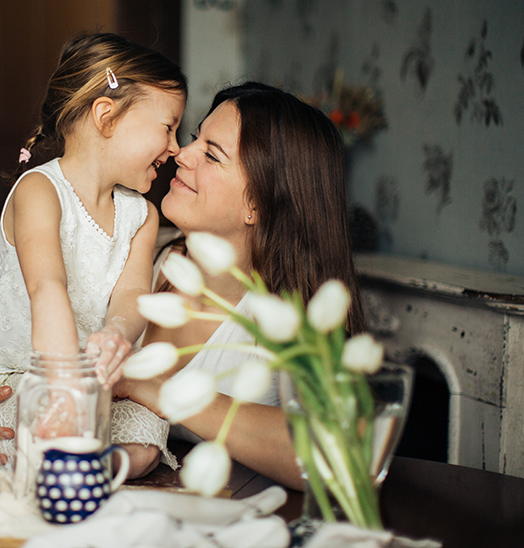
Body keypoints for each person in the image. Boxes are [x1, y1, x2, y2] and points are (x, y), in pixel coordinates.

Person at [0, 33, 187, 479]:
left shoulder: (141, 215)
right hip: (22, 376)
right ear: (107, 116)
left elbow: (133, 294)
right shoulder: (40, 190)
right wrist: (63, 389)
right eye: (168, 127)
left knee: (146, 436)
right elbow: (47, 287)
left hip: (94, 386)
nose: (175, 147)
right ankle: (61, 460)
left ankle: (82, 466)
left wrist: (118, 333)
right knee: (23, 427)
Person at [115, 82, 365, 491]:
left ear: (257, 204)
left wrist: (167, 392)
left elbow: (338, 456)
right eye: (196, 137)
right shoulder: (139, 254)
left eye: (211, 154)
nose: (182, 152)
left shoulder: (290, 319)